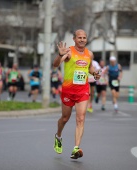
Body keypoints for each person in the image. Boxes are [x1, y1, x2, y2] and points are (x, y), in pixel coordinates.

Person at [53, 29, 100, 159]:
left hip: (83, 90)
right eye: (79, 37)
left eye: (84, 38)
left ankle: (76, 148)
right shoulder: (68, 51)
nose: (82, 40)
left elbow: (89, 67)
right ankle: (58, 136)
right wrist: (59, 55)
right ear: (74, 39)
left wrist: (94, 73)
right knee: (65, 118)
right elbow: (55, 65)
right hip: (68, 90)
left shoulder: (89, 54)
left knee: (80, 118)